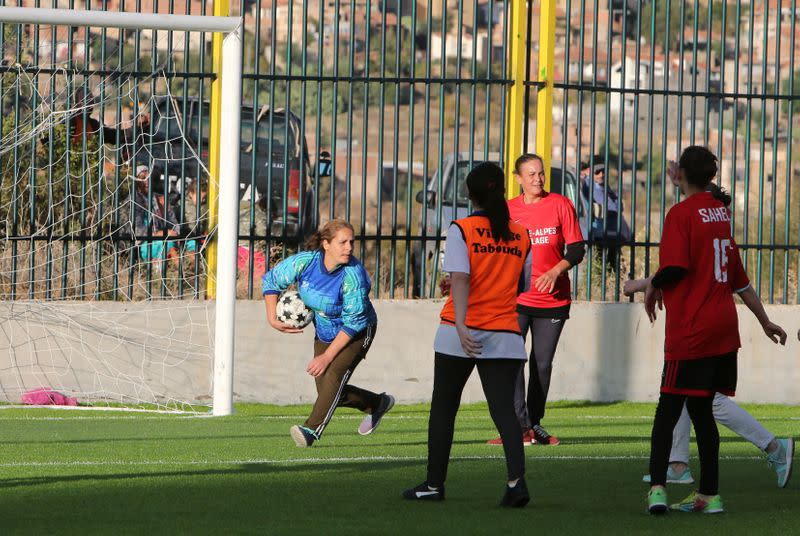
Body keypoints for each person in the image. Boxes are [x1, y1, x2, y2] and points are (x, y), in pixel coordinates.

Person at [624, 158, 794, 490]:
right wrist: (764, 321)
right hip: (720, 327)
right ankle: (685, 471)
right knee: (696, 401)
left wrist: (648, 284)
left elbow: (680, 267)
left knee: (695, 401)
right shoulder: (721, 222)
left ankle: (771, 448)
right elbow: (736, 282)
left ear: (687, 178)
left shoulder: (690, 217)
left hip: (695, 330)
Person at [403, 162, 533, 507]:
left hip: (458, 331)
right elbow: (521, 284)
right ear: (503, 189)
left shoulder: (461, 228)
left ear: (469, 193)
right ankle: (516, 483)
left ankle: (434, 484)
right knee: (504, 411)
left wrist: (461, 324)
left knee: (444, 408)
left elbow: (460, 279)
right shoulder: (521, 234)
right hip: (505, 332)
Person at [261, 219, 394, 447]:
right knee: (330, 392)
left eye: (351, 242)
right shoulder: (306, 262)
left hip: (357, 332)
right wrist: (272, 318)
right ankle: (376, 403)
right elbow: (271, 281)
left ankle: (311, 431)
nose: (349, 248)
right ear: (326, 244)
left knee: (333, 376)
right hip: (324, 331)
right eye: (342, 242)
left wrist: (326, 356)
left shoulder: (354, 275)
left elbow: (353, 322)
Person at [486, 153, 585, 447]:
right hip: (515, 300)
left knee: (541, 364)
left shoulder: (560, 204)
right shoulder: (506, 210)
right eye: (531, 174)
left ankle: (534, 423)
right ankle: (520, 427)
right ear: (518, 179)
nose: (538, 179)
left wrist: (556, 271)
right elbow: (494, 252)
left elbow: (577, 249)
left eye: (541, 173)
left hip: (553, 301)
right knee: (513, 362)